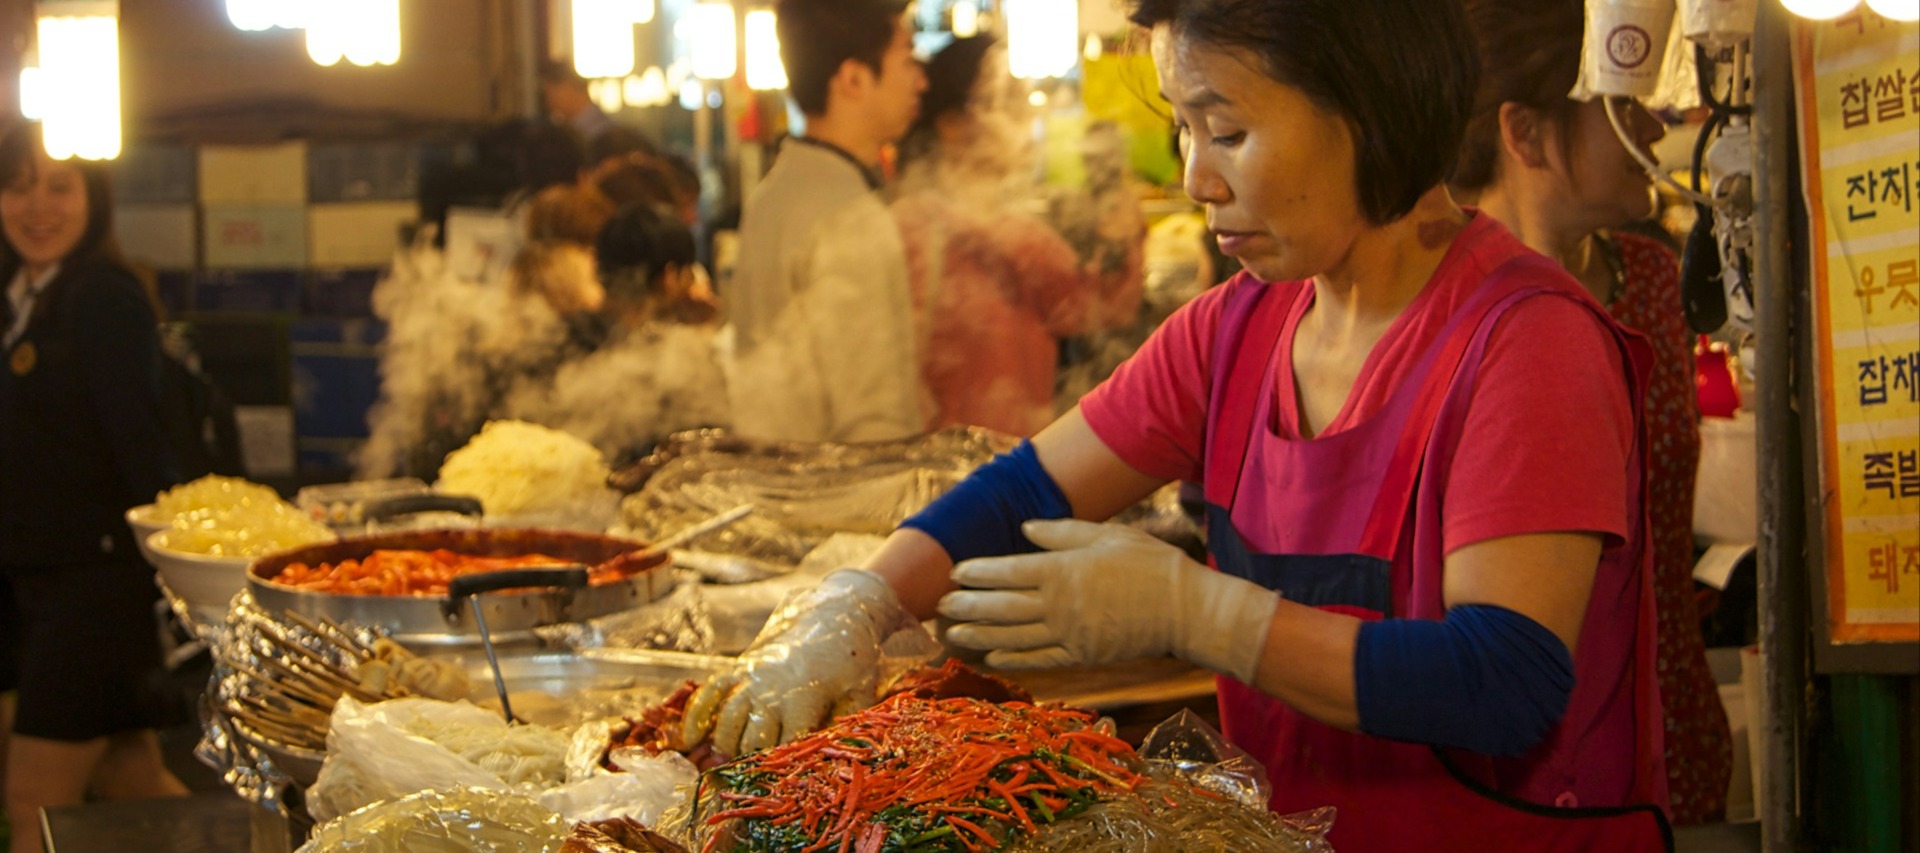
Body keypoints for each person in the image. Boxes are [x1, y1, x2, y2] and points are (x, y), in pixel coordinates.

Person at [682, 0, 1674, 848]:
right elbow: (1026, 490)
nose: (1199, 178)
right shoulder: (1236, 329)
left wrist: (1201, 614)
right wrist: (851, 611)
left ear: (1367, 115)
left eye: (1228, 131)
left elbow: (1505, 677)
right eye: (1185, 133)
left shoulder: (1525, 343)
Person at [1451, 0, 1733, 825]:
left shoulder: (1653, 280)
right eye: (1624, 106)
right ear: (1528, 134)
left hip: (1676, 728)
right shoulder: (1449, 309)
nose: (1654, 128)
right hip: (1518, 758)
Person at [0, 123, 189, 853]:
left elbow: (142, 443)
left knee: (32, 799)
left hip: (93, 587)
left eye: (59, 186)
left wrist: (170, 570)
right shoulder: (23, 293)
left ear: (95, 199)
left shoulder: (103, 296)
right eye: (18, 185)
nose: (37, 207)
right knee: (130, 782)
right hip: (38, 583)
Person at [893, 36, 1144, 437]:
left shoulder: (1018, 233)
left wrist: (1121, 241)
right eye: (1006, 101)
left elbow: (1097, 307)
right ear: (952, 124)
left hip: (1009, 465)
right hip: (943, 472)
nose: (1027, 115)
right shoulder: (916, 229)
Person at [724, 0, 928, 443]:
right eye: (908, 59)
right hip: (840, 501)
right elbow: (874, 420)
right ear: (853, 78)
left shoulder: (771, 195)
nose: (920, 80)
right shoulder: (852, 218)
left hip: (771, 487)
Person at [539, 59, 617, 148]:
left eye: (548, 92)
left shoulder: (593, 132)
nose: (548, 101)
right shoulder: (593, 125)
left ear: (565, 88)